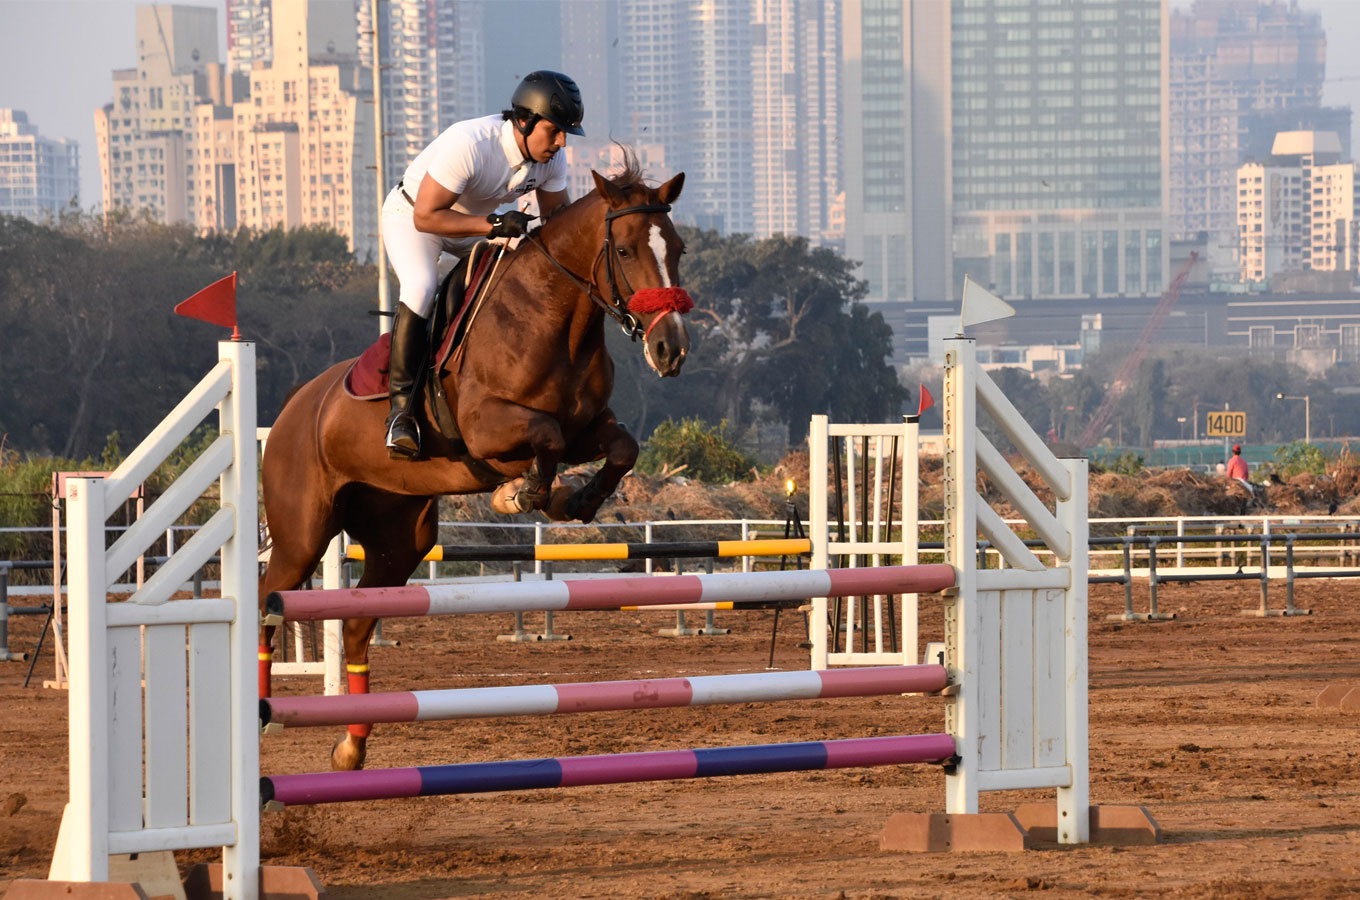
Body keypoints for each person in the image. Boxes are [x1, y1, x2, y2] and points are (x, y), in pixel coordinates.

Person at [379, 70, 585, 458]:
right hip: (414, 219)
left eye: (565, 134)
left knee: (523, 274)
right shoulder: (471, 142)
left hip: (477, 226)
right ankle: (401, 414)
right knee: (422, 288)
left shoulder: (550, 161)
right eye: (554, 131)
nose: (560, 142)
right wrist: (493, 225)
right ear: (524, 121)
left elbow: (559, 224)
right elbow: (427, 217)